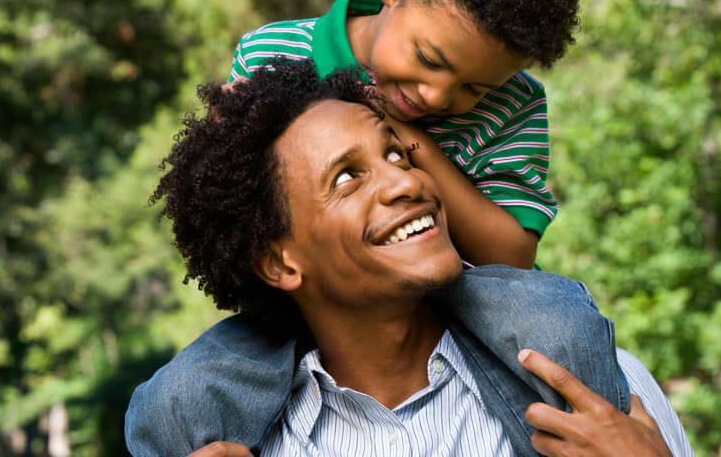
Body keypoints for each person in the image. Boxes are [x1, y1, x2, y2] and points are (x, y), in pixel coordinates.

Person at [126, 61, 692, 456]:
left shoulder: (594, 392)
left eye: (397, 153)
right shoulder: (235, 442)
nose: (406, 181)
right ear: (281, 263)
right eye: (347, 177)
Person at [228, 0, 583, 269]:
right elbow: (233, 211)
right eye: (429, 59)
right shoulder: (273, 53)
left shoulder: (512, 103)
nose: (435, 97)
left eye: (474, 88)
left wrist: (411, 141)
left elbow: (511, 259)